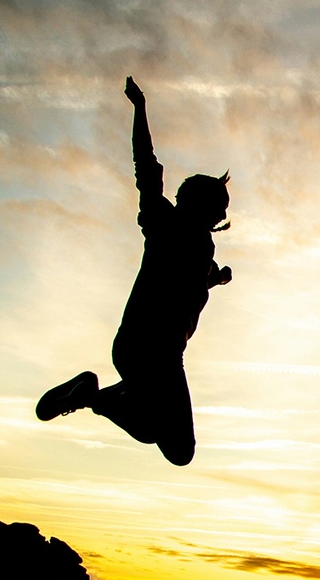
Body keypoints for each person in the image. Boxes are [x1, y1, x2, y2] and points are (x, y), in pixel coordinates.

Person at [36, 76, 232, 465]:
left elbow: (186, 282)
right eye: (220, 206)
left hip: (144, 350)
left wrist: (216, 278)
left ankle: (94, 394)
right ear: (199, 203)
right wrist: (139, 109)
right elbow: (146, 164)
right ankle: (93, 396)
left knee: (153, 431)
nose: (224, 214)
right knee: (179, 449)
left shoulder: (198, 247)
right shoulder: (165, 222)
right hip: (153, 351)